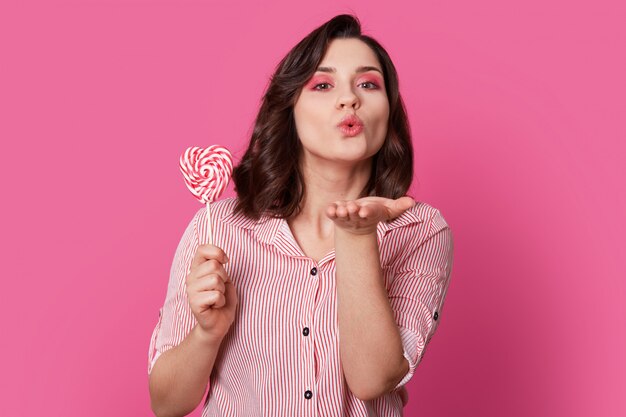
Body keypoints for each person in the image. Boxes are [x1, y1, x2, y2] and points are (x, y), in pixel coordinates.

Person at [148, 13, 454, 417]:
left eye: (368, 84)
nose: (350, 99)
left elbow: (371, 377)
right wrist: (208, 334)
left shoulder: (421, 231)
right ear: (289, 108)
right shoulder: (220, 229)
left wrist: (357, 235)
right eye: (323, 85)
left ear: (389, 111)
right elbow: (166, 404)